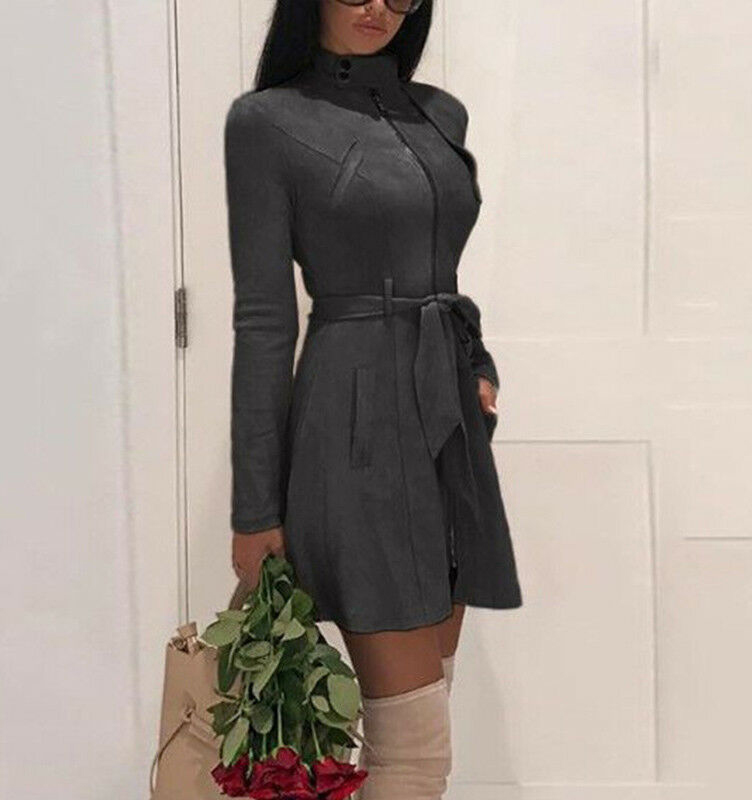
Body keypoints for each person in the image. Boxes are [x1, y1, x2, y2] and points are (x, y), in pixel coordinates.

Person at [224, 1, 523, 797]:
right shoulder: (266, 122)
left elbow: (439, 267)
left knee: (423, 713)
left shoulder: (440, 113)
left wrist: (479, 363)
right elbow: (264, 321)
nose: (379, 8)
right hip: (352, 422)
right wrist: (255, 509)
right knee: (416, 755)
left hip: (447, 428)